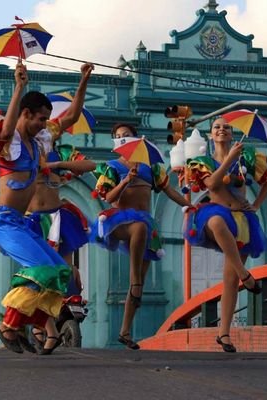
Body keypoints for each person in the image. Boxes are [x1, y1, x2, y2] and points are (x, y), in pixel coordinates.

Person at [0, 61, 93, 355]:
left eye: (46, 120)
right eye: (40, 119)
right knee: (41, 267)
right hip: (1, 221)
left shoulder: (38, 140)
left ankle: (35, 327)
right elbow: (5, 129)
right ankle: (8, 325)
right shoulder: (10, 142)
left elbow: (72, 116)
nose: (45, 124)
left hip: (20, 222)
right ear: (26, 114)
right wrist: (19, 87)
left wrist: (83, 80)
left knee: (58, 271)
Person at [90, 123, 191, 350]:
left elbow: (170, 192)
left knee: (142, 233)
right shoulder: (112, 166)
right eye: (117, 137)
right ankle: (134, 277)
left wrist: (189, 207)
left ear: (136, 139)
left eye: (126, 135)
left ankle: (125, 331)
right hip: (119, 221)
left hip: (144, 224)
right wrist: (125, 181)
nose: (121, 139)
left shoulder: (151, 168)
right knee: (138, 230)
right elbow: (108, 197)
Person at [184, 118, 267, 352]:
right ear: (210, 135)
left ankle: (224, 334)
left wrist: (256, 205)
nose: (222, 129)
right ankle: (246, 274)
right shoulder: (202, 161)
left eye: (226, 127)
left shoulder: (246, 157)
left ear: (232, 134)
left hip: (242, 217)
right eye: (217, 127)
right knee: (216, 222)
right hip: (216, 211)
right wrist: (229, 158)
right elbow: (212, 184)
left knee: (229, 280)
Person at [26, 124, 96, 351]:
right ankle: (39, 319)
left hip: (57, 216)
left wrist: (56, 165)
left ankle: (68, 302)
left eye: (48, 129)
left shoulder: (61, 152)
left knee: (64, 266)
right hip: (32, 218)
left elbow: (90, 165)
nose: (43, 133)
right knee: (34, 272)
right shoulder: (25, 151)